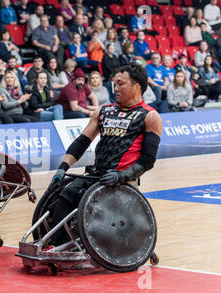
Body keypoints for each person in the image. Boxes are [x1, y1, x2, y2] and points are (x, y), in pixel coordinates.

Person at [45, 63, 162, 247]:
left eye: (121, 84)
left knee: (85, 198)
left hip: (121, 180)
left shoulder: (149, 116)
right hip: (97, 174)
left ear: (136, 86)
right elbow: (82, 142)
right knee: (65, 193)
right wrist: (62, 168)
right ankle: (54, 243)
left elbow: (148, 161)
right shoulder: (104, 111)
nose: (115, 88)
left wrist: (123, 175)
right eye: (114, 83)